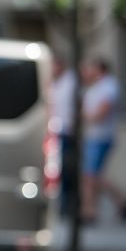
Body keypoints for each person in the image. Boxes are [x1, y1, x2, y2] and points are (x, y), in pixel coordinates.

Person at [79, 57, 126, 224]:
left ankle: (90, 211)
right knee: (92, 176)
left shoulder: (109, 86)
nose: (87, 72)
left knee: (90, 175)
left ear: (100, 69)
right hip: (94, 136)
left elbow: (101, 114)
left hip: (101, 137)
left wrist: (84, 115)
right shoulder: (94, 87)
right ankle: (115, 204)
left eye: (91, 68)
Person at [49, 58, 77, 217]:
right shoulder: (54, 83)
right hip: (55, 130)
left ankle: (66, 205)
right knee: (55, 169)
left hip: (67, 131)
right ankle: (59, 204)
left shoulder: (70, 81)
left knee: (66, 170)